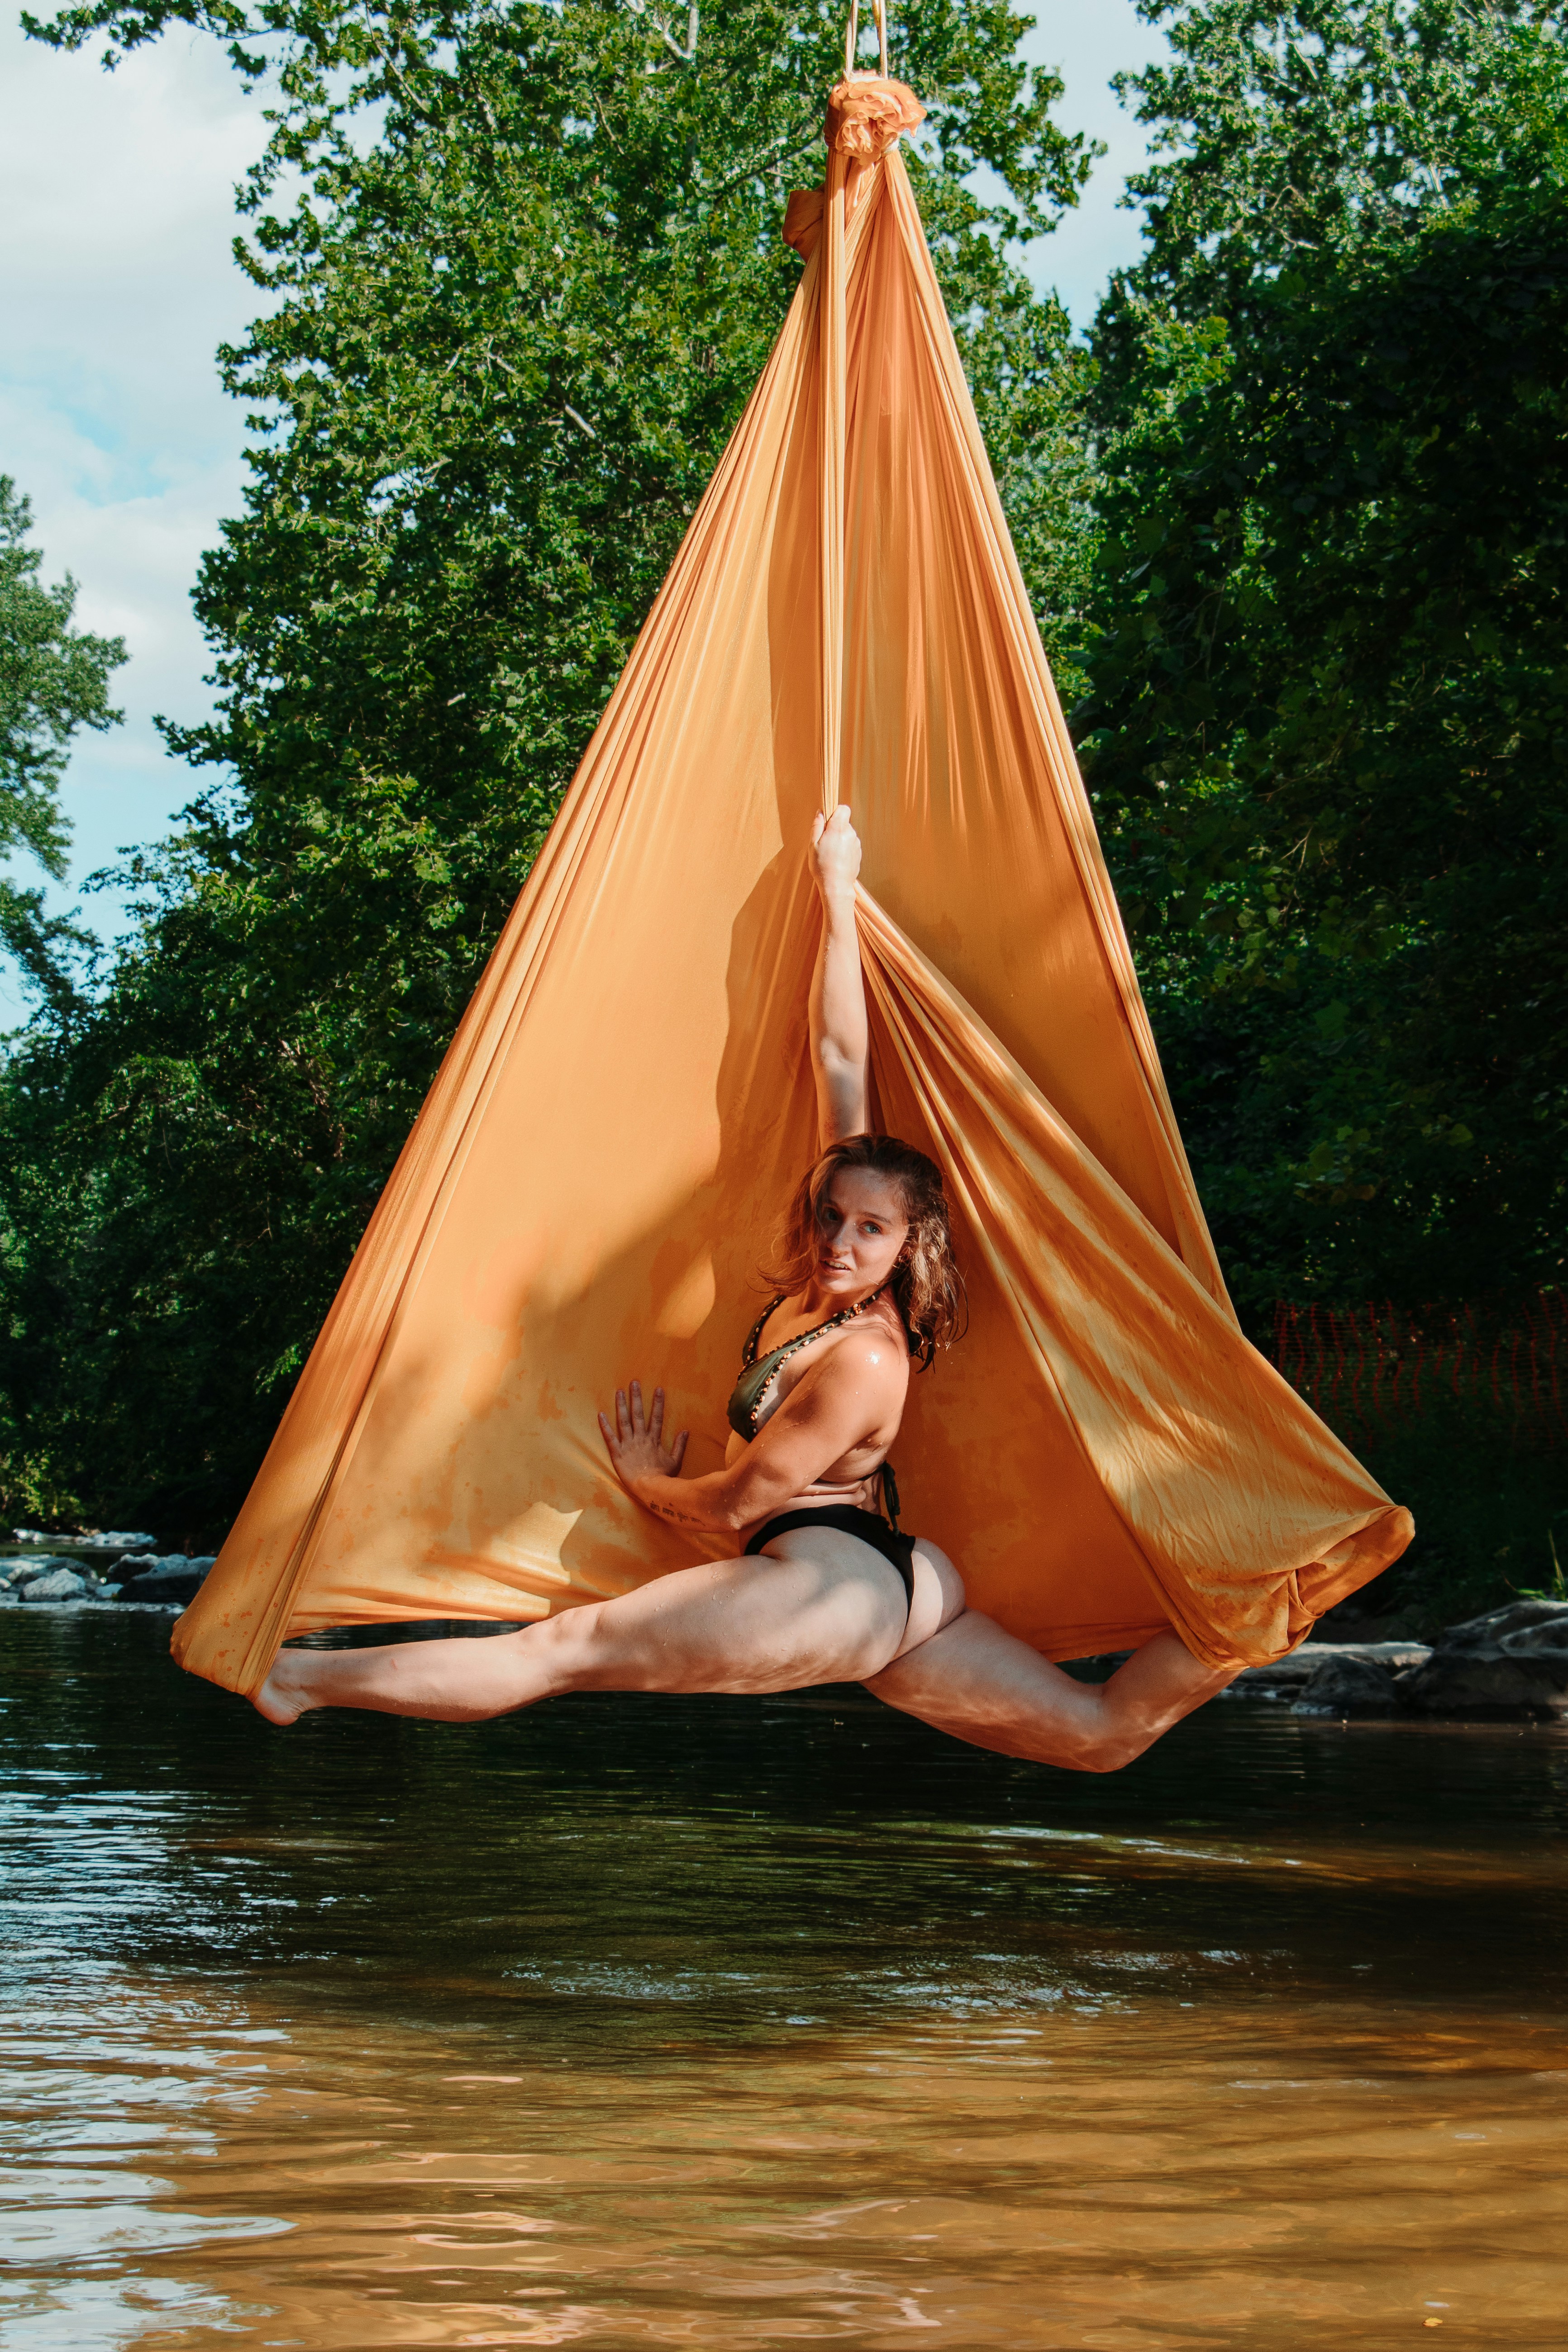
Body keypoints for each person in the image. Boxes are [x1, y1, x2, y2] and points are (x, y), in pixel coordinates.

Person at [254, 811, 1235, 1765]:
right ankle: (1257, 1614)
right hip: (891, 1575)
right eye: (831, 1215)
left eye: (870, 1230)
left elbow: (737, 1501)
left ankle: (295, 1680)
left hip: (830, 1583)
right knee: (1098, 1733)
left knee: (558, 1650)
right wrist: (839, 896)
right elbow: (839, 1058)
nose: (840, 1241)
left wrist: (645, 1483)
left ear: (908, 1246)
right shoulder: (827, 1289)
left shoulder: (865, 1354)